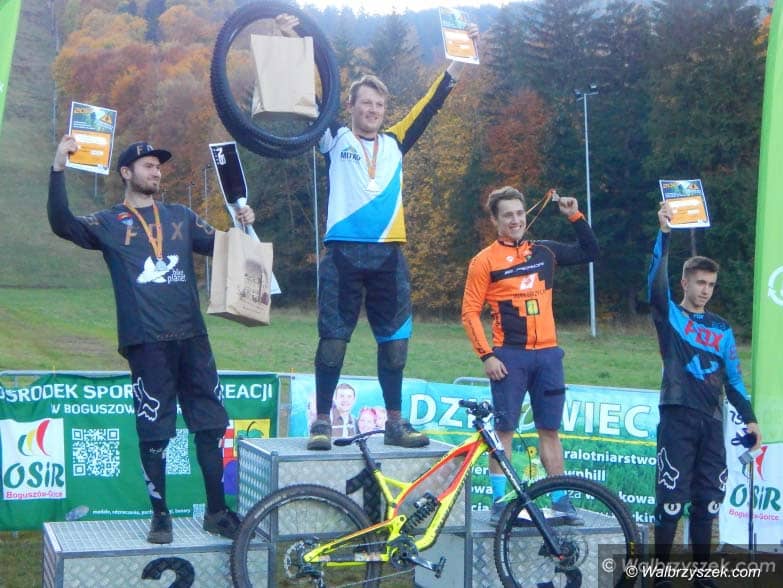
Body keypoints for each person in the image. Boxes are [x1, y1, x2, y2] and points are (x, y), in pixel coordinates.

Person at [276, 14, 480, 450]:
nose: (372, 111)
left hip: (389, 257)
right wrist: (292, 39)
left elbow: (431, 103)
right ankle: (322, 422)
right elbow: (311, 98)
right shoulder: (334, 137)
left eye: (379, 105)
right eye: (365, 103)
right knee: (333, 343)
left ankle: (394, 423)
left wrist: (460, 59)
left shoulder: (395, 141)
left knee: (395, 348)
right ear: (351, 106)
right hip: (343, 256)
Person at [48, 136, 255, 544]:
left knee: (211, 425)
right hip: (146, 342)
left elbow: (225, 248)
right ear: (127, 173)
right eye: (147, 165)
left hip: (192, 337)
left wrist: (242, 223)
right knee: (155, 433)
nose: (156, 171)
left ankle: (216, 512)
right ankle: (160, 516)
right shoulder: (109, 223)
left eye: (158, 166)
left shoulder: (181, 216)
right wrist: (58, 167)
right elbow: (62, 223)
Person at [461, 186, 599, 525]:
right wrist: (487, 356)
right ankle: (500, 503)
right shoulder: (484, 261)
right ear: (495, 221)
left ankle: (560, 500)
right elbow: (469, 313)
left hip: (548, 356)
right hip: (510, 357)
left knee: (549, 430)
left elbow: (590, 251)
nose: (515, 220)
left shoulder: (544, 251)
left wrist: (575, 216)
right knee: (504, 431)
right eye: (507, 215)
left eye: (520, 213)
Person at [648, 201, 761, 587]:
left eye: (711, 285)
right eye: (700, 283)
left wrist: (750, 419)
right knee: (670, 501)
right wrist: (664, 234)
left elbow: (735, 380)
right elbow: (655, 282)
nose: (705, 291)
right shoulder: (670, 316)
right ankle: (660, 575)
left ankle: (701, 576)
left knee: (708, 501)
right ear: (685, 283)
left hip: (712, 422)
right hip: (677, 416)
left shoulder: (722, 328)